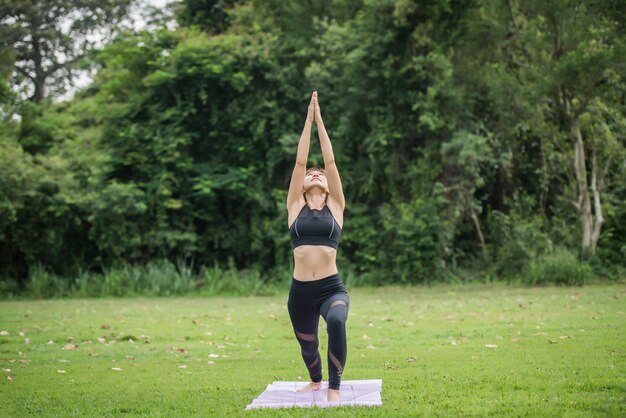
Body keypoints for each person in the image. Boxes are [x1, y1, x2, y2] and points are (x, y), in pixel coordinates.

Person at [286, 91, 350, 402]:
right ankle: (315, 382)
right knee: (308, 346)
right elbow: (300, 160)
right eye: (310, 174)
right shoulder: (295, 206)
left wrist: (320, 121)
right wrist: (306, 122)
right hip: (300, 292)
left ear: (326, 186)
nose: (315, 172)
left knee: (337, 321)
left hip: (330, 288)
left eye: (320, 175)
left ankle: (334, 389)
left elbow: (330, 161)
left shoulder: (336, 206)